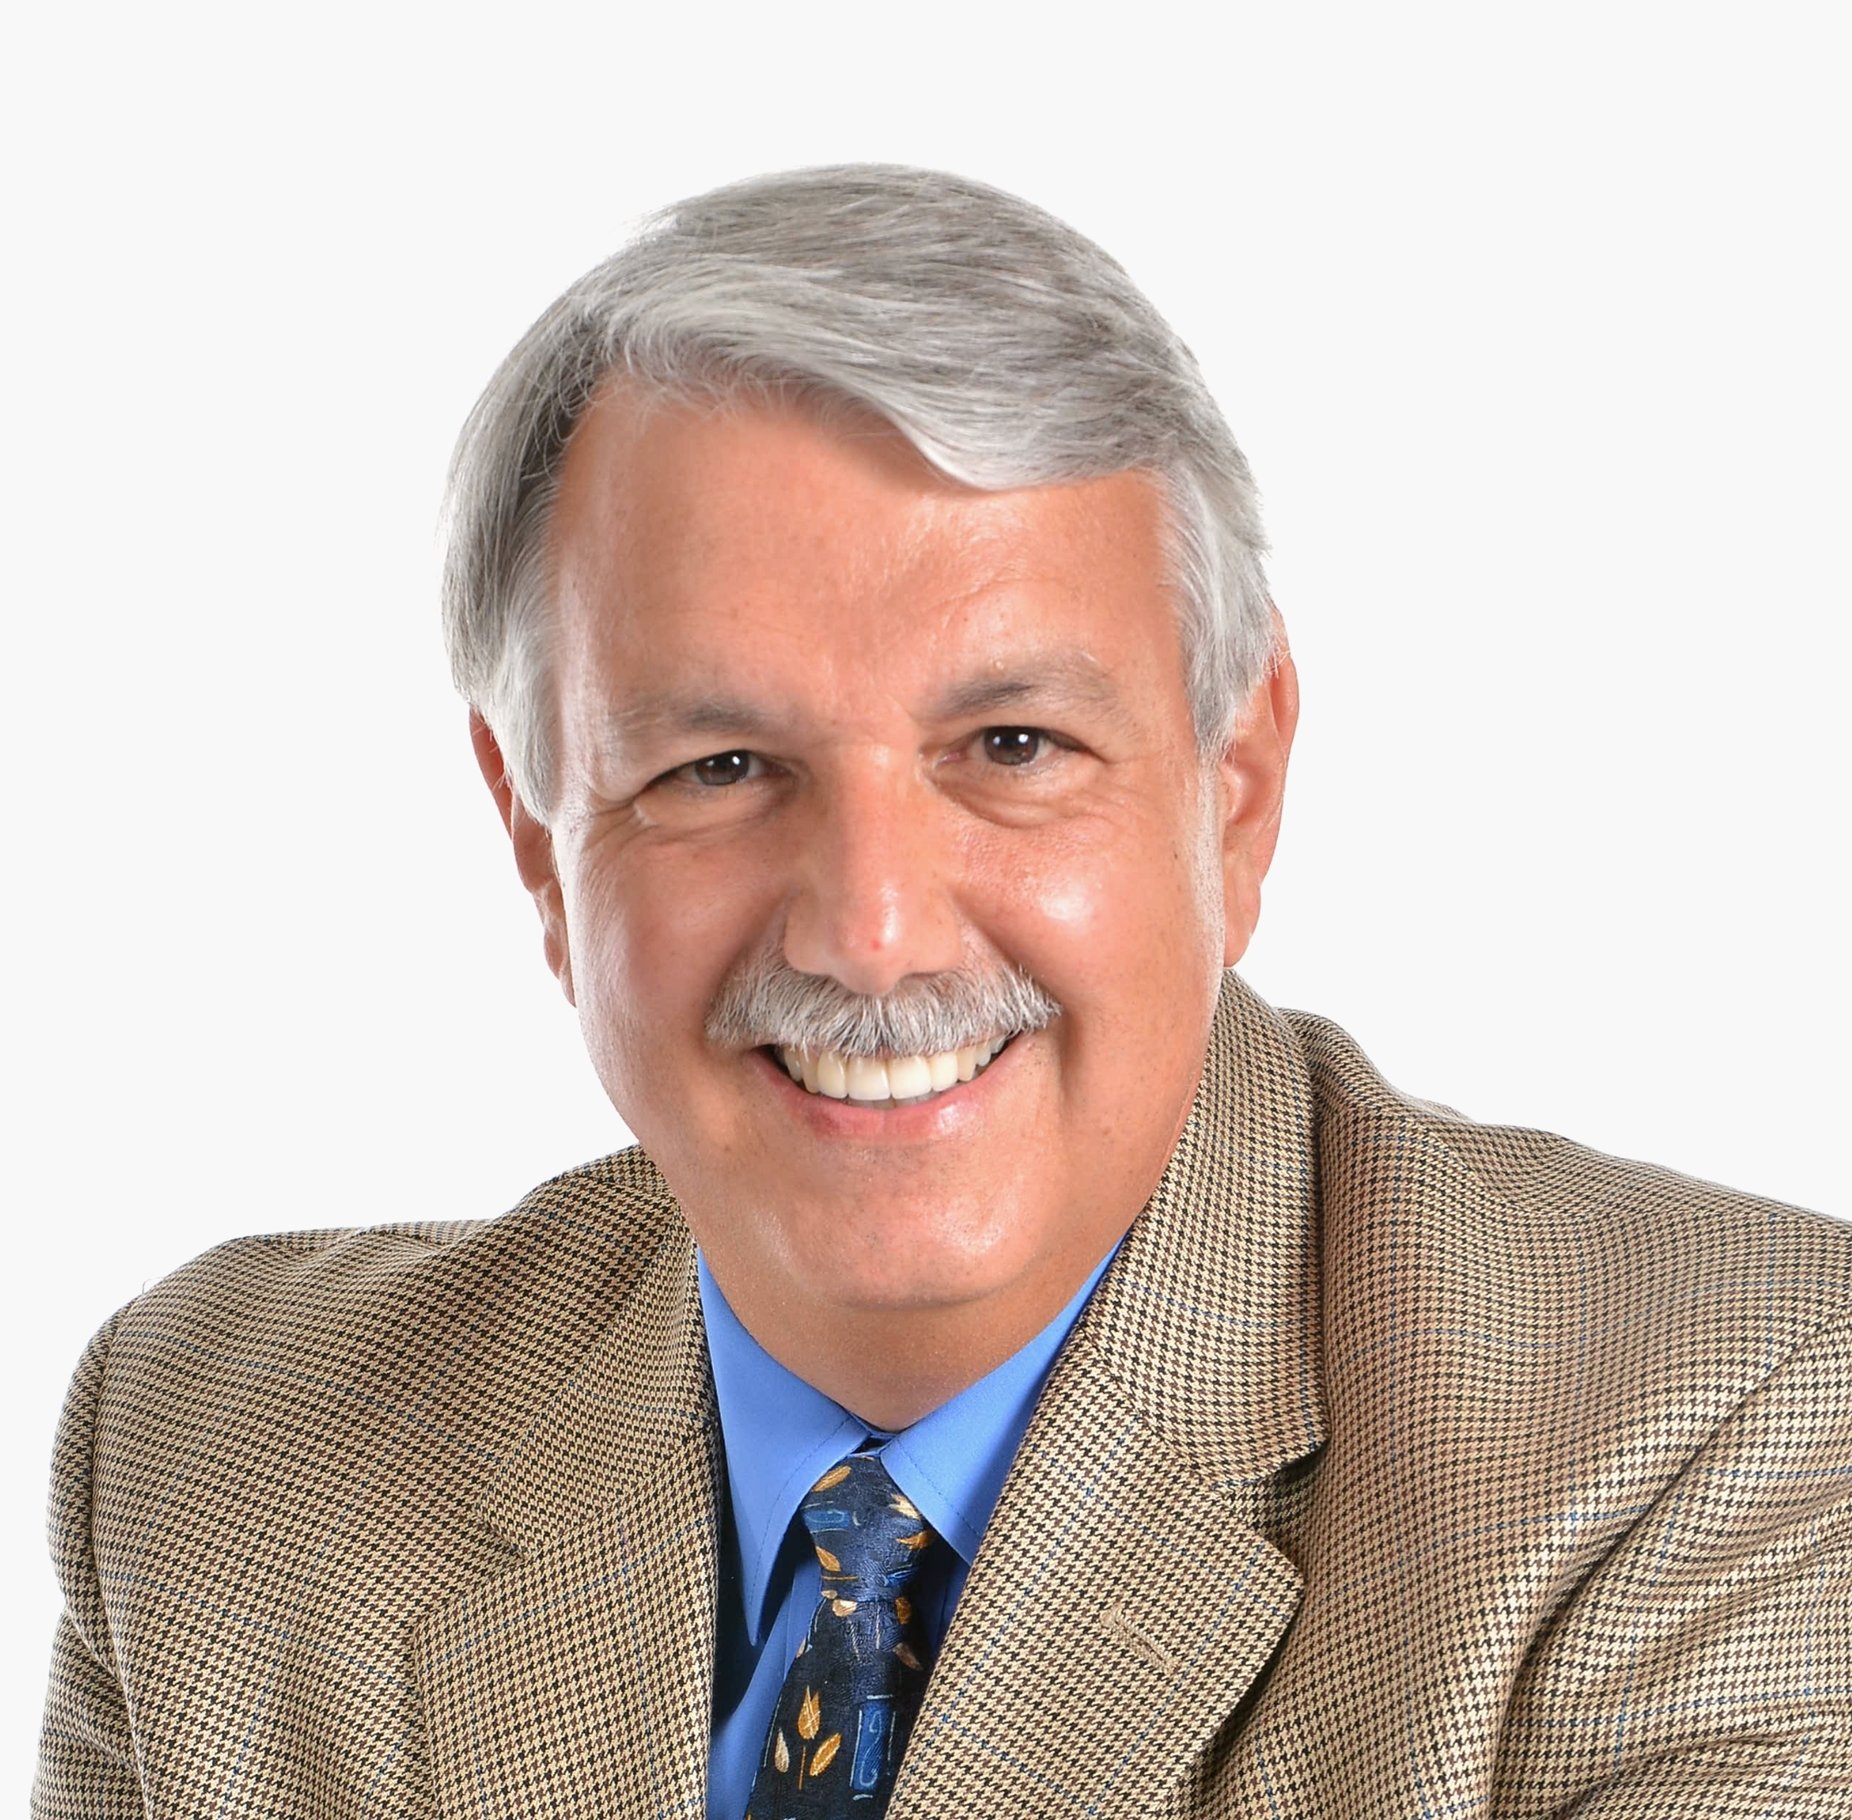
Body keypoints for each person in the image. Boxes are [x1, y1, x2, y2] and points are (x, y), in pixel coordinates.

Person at [34, 164, 1852, 1820]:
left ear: (1236, 783)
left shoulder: (1719, 1427)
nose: (874, 932)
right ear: (538, 840)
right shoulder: (216, 1456)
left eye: (1010, 742)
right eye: (723, 769)